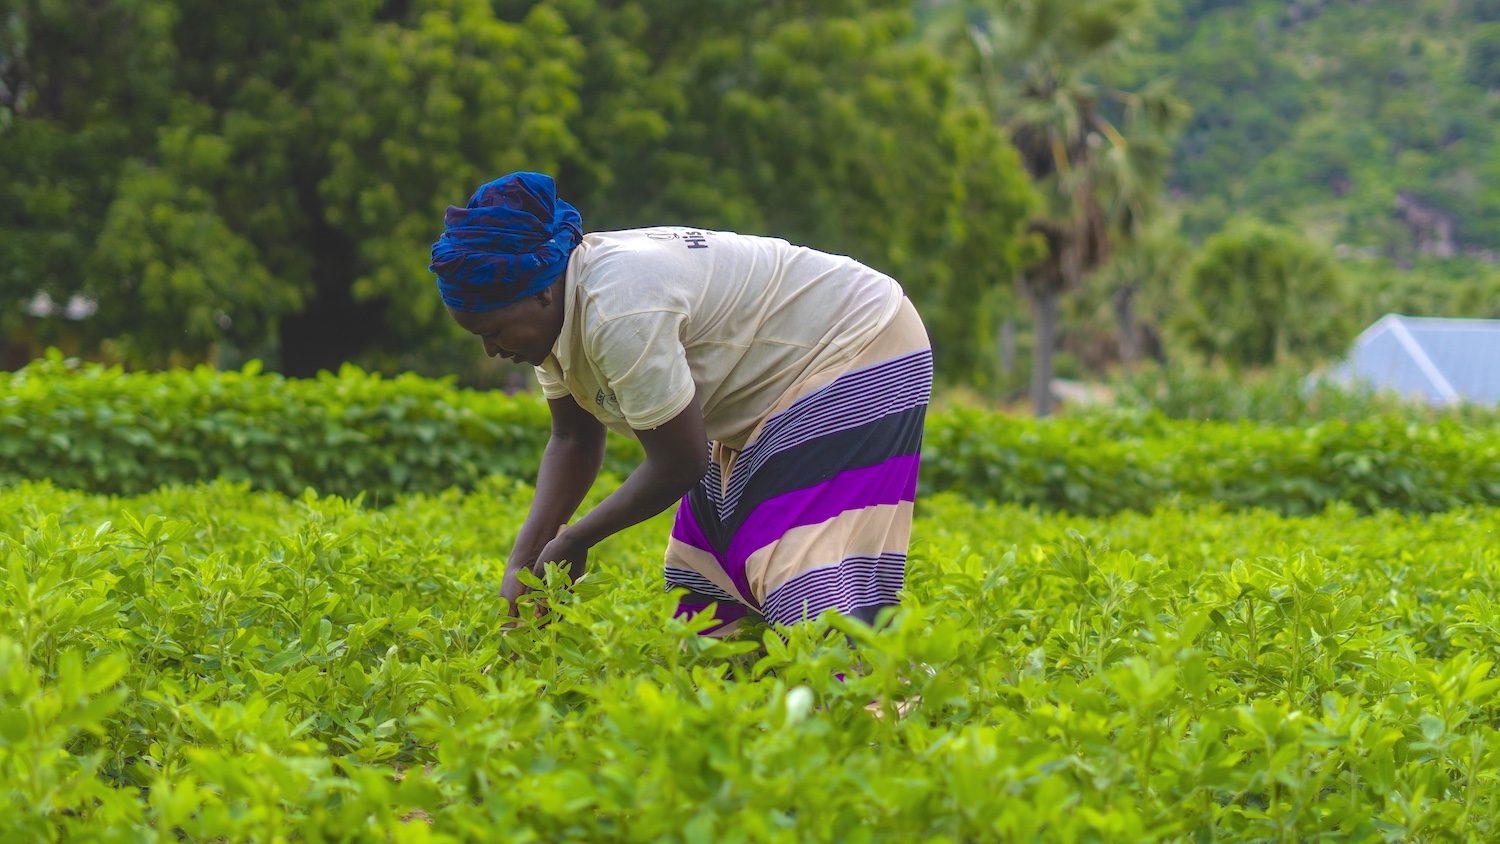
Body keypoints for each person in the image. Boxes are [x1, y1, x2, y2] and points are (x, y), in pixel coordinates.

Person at [430, 172, 932, 636]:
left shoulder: (616, 308)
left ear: (539, 295)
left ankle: (874, 710)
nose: (492, 351)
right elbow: (574, 438)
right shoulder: (555, 312)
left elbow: (680, 463)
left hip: (857, 341)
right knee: (703, 569)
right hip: (774, 389)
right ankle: (758, 721)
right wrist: (525, 558)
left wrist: (573, 541)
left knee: (792, 560)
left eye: (494, 332)